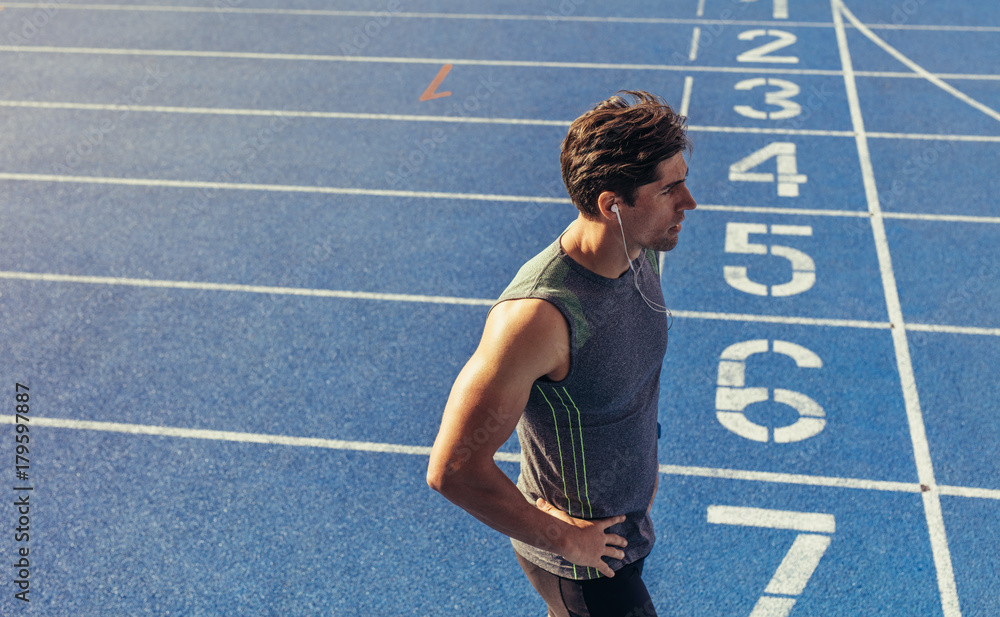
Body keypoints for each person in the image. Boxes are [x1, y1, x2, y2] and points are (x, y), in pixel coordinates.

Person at [427, 90, 696, 617]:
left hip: (625, 526)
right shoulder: (536, 319)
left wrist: (642, 458)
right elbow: (454, 468)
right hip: (585, 559)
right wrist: (565, 541)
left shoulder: (639, 254)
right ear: (612, 206)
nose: (689, 202)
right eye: (670, 190)